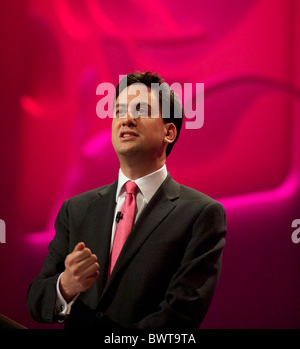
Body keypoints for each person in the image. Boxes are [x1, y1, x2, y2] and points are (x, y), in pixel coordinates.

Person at [26, 71, 226, 331]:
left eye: (141, 110)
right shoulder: (76, 209)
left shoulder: (201, 214)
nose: (127, 119)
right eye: (119, 111)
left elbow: (181, 314)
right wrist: (66, 285)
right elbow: (35, 299)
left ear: (169, 132)